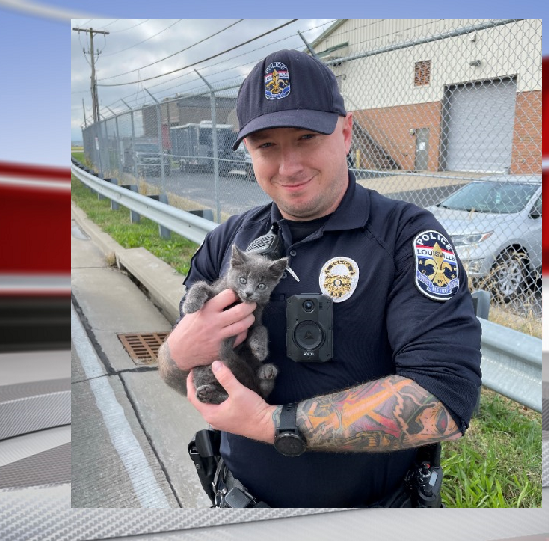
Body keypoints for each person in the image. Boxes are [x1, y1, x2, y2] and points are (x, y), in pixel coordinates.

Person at [157, 49, 481, 508]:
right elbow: (177, 374)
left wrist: (274, 424)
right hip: (238, 503)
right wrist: (176, 353)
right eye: (267, 145)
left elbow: (445, 395)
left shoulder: (406, 236)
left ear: (345, 132)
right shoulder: (231, 240)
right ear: (248, 151)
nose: (288, 166)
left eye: (306, 138)